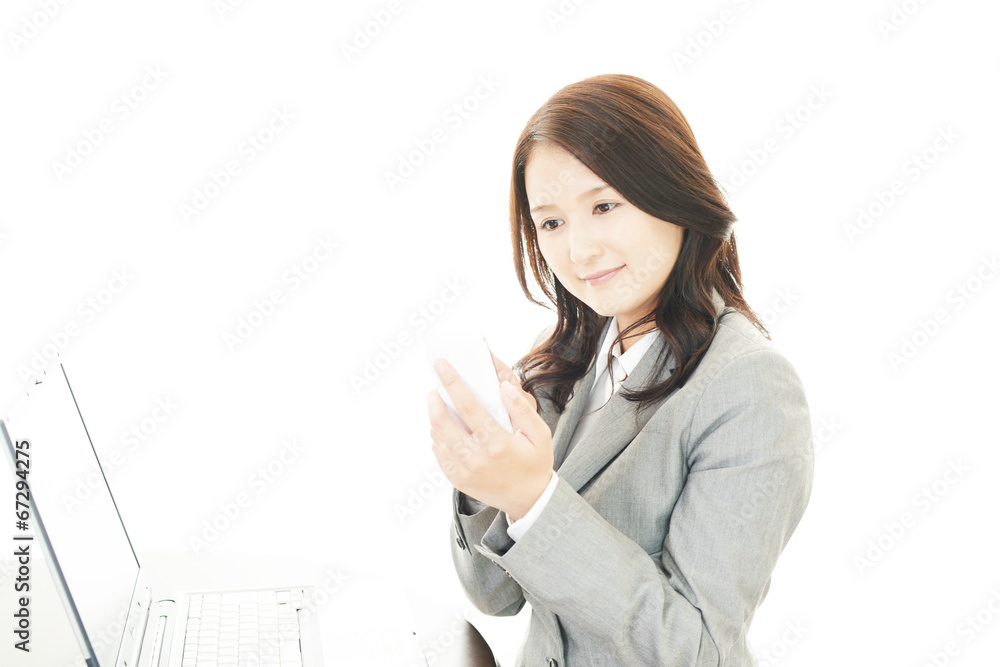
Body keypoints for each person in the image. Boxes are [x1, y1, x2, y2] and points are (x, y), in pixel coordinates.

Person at [426, 73, 813, 667]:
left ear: (674, 194)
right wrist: (486, 480)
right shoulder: (564, 358)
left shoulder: (749, 386)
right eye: (551, 222)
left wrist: (533, 499)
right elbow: (495, 595)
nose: (579, 251)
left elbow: (696, 651)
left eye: (604, 206)